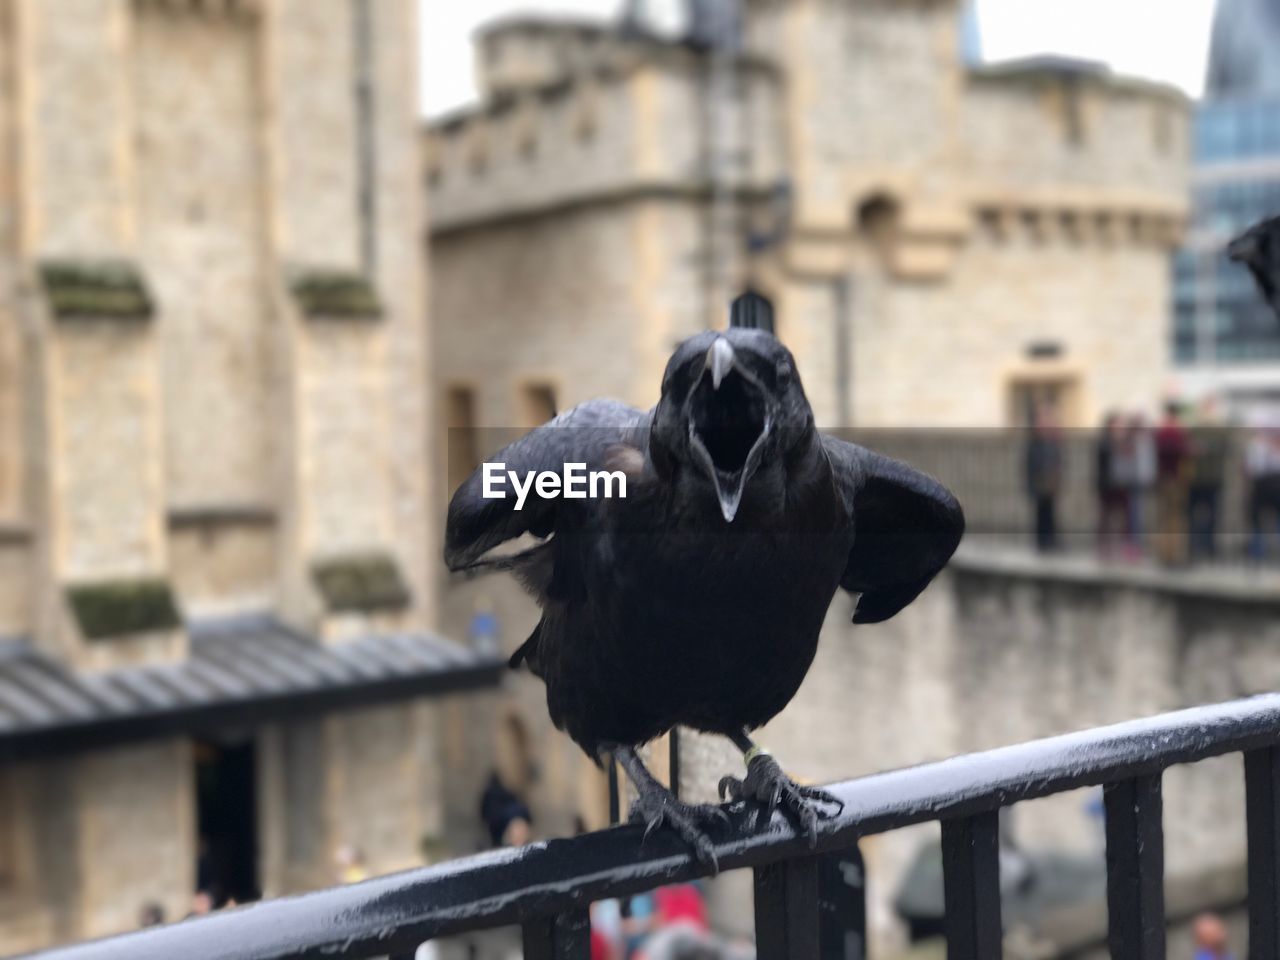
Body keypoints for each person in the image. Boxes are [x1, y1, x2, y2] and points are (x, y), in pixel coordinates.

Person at [1188, 397, 1229, 561]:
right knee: (1196, 515)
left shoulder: (1217, 429)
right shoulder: (1195, 428)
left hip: (1210, 479)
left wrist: (1205, 448)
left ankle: (1207, 547)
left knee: (1210, 516)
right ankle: (1197, 547)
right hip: (1198, 479)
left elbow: (1225, 448)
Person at [1155, 401, 1192, 566]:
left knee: (1165, 518)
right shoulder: (1173, 431)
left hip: (1164, 478)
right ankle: (1173, 555)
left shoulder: (1161, 431)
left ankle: (1166, 554)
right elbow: (1177, 450)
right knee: (1175, 519)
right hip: (1174, 478)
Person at [1025, 402, 1063, 552]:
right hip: (1040, 482)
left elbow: (1056, 459)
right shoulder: (1035, 441)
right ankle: (1042, 541)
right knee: (1041, 513)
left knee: (1050, 511)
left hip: (1050, 481)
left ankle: (1050, 540)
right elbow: (1031, 463)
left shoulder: (1051, 440)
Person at [1095, 413, 1128, 557]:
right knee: (1105, 516)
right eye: (1117, 424)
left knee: (1122, 517)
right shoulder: (1105, 441)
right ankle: (1104, 546)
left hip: (1121, 484)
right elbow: (1102, 461)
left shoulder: (1124, 441)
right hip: (1107, 485)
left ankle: (1121, 546)